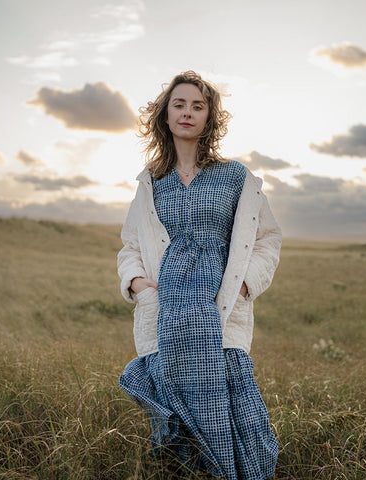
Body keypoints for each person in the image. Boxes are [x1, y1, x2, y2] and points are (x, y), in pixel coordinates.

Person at [117, 70, 281, 479]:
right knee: (174, 401)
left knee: (232, 399)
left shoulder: (235, 177)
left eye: (198, 106)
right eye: (179, 104)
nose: (188, 112)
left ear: (209, 118)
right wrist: (138, 285)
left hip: (217, 306)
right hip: (169, 307)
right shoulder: (150, 183)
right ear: (165, 116)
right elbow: (131, 245)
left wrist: (245, 285)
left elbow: (267, 238)